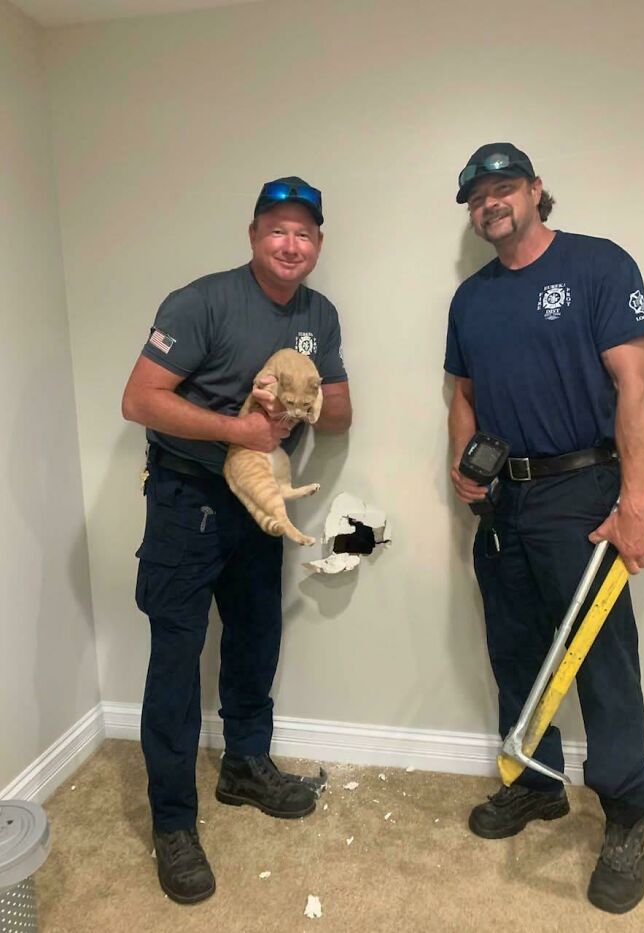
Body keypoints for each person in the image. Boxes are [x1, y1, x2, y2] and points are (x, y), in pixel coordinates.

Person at [445, 143, 644, 915]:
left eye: (504, 187)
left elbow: (634, 384)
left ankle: (631, 805)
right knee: (516, 649)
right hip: (502, 502)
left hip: (584, 492)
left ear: (538, 192)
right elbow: (464, 393)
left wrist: (634, 502)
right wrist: (460, 461)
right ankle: (537, 783)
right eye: (477, 195)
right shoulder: (470, 299)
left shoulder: (599, 265)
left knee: (602, 660)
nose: (491, 202)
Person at [122, 176, 351, 904]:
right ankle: (173, 822)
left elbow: (339, 416)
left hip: (259, 508)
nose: (292, 244)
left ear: (318, 244)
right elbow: (139, 400)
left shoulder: (320, 314)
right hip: (187, 501)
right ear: (253, 235)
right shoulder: (201, 301)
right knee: (177, 659)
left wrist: (306, 389)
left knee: (255, 641)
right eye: (278, 229)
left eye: (305, 233)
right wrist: (239, 428)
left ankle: (245, 767)